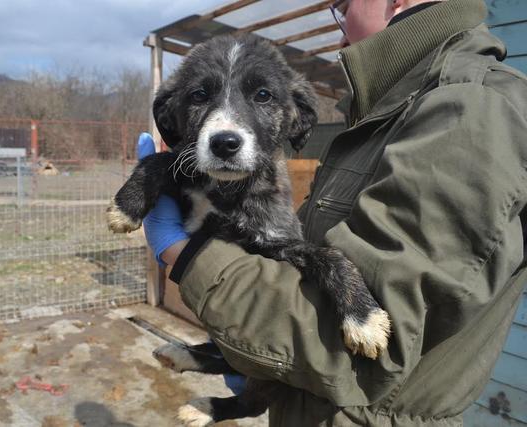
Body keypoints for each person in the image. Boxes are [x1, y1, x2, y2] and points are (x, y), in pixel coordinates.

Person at [140, 0, 527, 425]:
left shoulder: (469, 109)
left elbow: (365, 343)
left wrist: (183, 253)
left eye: (343, 8)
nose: (340, 36)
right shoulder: (382, 111)